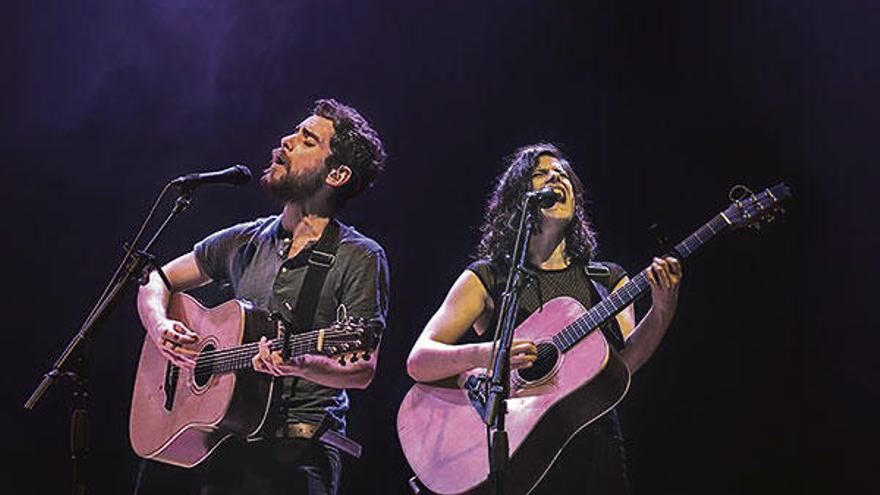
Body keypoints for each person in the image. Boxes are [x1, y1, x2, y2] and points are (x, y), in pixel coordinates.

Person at [136, 98, 389, 495]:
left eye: (307, 140)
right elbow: (157, 279)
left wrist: (300, 363)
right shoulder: (245, 239)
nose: (285, 141)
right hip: (225, 447)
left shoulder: (359, 256)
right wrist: (160, 325)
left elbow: (362, 369)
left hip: (301, 457)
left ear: (337, 173)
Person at [405, 143, 682, 494]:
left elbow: (624, 363)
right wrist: (491, 354)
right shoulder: (488, 278)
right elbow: (420, 361)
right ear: (519, 198)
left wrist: (663, 308)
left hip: (592, 446)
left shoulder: (606, 280)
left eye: (565, 175)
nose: (557, 177)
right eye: (542, 174)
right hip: (511, 453)